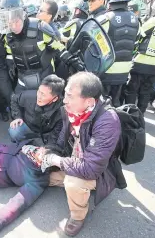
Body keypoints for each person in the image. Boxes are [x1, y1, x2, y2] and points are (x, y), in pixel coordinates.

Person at [40, 72, 123, 236]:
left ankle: (78, 215)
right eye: (65, 94)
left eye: (70, 96)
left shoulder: (107, 121)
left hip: (98, 171)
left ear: (89, 101)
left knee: (73, 182)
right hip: (74, 160)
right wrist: (47, 152)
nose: (65, 100)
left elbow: (91, 169)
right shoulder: (70, 111)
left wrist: (55, 160)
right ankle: (79, 190)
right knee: (41, 175)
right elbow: (58, 139)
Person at [0, 0, 66, 93]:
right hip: (22, 79)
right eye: (8, 20)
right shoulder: (8, 36)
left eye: (15, 19)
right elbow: (10, 54)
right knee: (17, 103)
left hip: (45, 78)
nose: (12, 24)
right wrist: (10, 65)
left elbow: (59, 48)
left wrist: (72, 61)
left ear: (23, 14)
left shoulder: (40, 29)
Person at [97, 0, 140, 107]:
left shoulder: (105, 18)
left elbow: (93, 43)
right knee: (115, 102)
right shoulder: (136, 19)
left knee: (101, 103)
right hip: (124, 69)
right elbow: (137, 41)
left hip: (106, 67)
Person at [9, 74, 64, 145]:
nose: (39, 96)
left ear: (55, 99)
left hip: (47, 133)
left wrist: (48, 149)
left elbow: (57, 133)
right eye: (39, 91)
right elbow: (14, 99)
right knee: (14, 131)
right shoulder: (29, 96)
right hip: (30, 127)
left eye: (43, 94)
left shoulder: (62, 110)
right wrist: (17, 117)